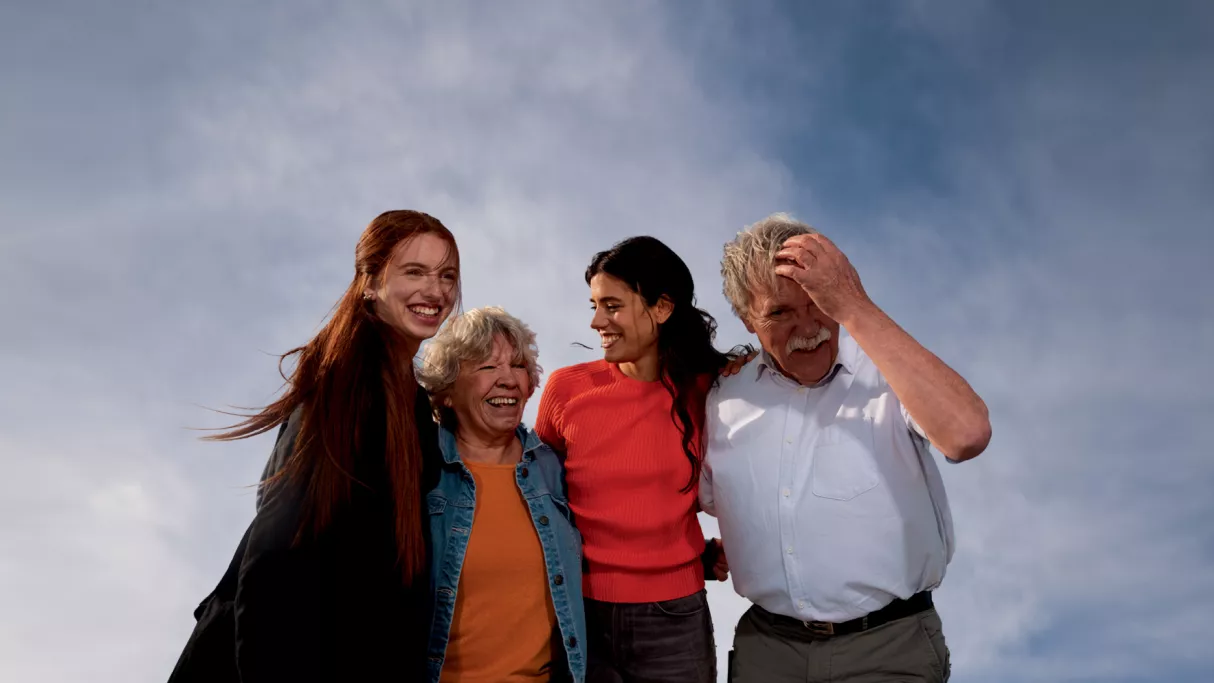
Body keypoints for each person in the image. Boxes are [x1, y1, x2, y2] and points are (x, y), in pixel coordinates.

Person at [169, 210, 461, 683]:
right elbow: (275, 557)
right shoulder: (346, 385)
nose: (436, 290)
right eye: (414, 271)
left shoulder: (411, 404)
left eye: (446, 275)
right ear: (369, 282)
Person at [700, 213, 992, 682]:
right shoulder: (722, 398)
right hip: (766, 655)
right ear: (747, 320)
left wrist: (853, 305)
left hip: (888, 651)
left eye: (817, 301)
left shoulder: (888, 370)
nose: (808, 325)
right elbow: (681, 498)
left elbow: (966, 435)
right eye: (779, 313)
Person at [535, 236, 739, 683]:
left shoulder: (712, 390)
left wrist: (702, 554)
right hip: (577, 616)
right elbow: (540, 500)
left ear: (662, 308)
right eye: (593, 305)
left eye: (612, 306)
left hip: (674, 619)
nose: (596, 321)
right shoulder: (566, 390)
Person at [416, 306, 586, 683]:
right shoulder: (417, 473)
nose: (508, 379)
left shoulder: (555, 471)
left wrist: (696, 556)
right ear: (446, 391)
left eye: (519, 366)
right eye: (488, 368)